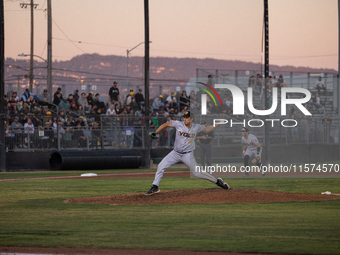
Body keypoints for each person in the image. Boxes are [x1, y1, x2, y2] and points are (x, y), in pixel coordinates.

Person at [145, 111, 229, 195]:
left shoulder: (196, 127)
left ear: (192, 119)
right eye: (184, 117)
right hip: (175, 153)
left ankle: (218, 181)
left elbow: (207, 129)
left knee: (198, 173)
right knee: (161, 166)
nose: (185, 119)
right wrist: (156, 132)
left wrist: (218, 124)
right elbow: (165, 125)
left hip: (187, 155)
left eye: (187, 118)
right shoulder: (179, 124)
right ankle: (155, 187)